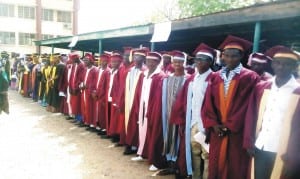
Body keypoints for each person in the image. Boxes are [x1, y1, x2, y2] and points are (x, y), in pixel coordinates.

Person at [201, 35, 260, 179]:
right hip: (218, 131)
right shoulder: (216, 76)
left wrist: (229, 125)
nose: (229, 59)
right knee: (216, 164)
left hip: (237, 133)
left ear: (241, 56)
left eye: (234, 56)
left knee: (236, 165)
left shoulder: (250, 77)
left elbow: (248, 106)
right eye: (226, 56)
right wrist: (214, 124)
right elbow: (208, 103)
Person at [244, 45, 300, 179]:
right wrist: (248, 142)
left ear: (294, 67)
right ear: (273, 65)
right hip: (260, 145)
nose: (281, 67)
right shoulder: (262, 87)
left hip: (285, 151)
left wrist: (295, 156)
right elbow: (251, 115)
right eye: (278, 63)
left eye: (287, 64)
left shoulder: (297, 91)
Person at [171, 43, 216, 178]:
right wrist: (181, 119)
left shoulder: (214, 78)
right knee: (194, 152)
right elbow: (182, 101)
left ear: (210, 61)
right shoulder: (191, 79)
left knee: (207, 154)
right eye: (196, 59)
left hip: (206, 124)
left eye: (202, 59)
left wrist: (211, 124)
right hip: (192, 123)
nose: (198, 62)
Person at [130, 52, 166, 168]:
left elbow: (158, 98)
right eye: (148, 61)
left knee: (154, 133)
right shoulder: (143, 74)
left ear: (157, 62)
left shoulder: (161, 76)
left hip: (154, 109)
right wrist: (137, 106)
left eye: (153, 61)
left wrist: (152, 110)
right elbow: (138, 92)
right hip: (142, 106)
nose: (150, 63)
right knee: (142, 130)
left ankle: (155, 160)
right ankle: (142, 153)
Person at [158, 50, 189, 175]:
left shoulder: (188, 79)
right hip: (168, 114)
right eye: (175, 61)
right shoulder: (167, 78)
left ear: (185, 63)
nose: (177, 64)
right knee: (169, 137)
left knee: (179, 139)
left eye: (180, 62)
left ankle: (177, 165)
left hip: (181, 115)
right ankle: (170, 162)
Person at [123, 48, 147, 154]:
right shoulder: (129, 70)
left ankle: (136, 146)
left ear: (143, 59)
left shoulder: (145, 72)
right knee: (128, 123)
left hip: (138, 102)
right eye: (135, 56)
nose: (136, 58)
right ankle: (129, 144)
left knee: (136, 125)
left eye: (139, 57)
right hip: (128, 100)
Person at [91, 53, 111, 135]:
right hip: (97, 94)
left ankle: (104, 128)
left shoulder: (108, 71)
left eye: (105, 61)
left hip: (103, 96)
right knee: (97, 111)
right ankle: (98, 126)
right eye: (101, 61)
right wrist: (94, 91)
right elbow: (95, 81)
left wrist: (101, 95)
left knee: (103, 113)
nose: (102, 62)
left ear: (107, 62)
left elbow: (106, 86)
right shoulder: (98, 70)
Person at [80, 53, 97, 127]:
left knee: (90, 107)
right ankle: (86, 121)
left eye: (86, 60)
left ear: (91, 61)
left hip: (90, 92)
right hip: (84, 91)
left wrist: (87, 86)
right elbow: (83, 79)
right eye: (84, 60)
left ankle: (91, 123)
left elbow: (95, 81)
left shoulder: (95, 70)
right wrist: (81, 85)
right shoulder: (85, 69)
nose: (84, 62)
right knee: (85, 106)